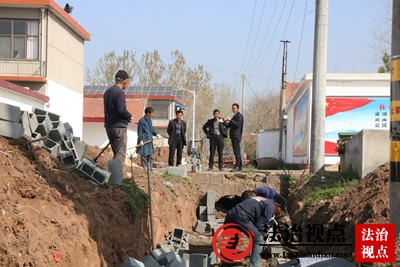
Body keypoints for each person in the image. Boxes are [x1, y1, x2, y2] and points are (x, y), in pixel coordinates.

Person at [224, 194, 281, 267]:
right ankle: (254, 265)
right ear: (278, 205)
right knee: (259, 240)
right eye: (280, 209)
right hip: (241, 217)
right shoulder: (270, 207)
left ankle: (226, 259)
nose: (278, 211)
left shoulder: (265, 200)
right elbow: (259, 225)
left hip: (232, 213)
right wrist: (262, 235)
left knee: (235, 235)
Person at [103, 70, 132, 164]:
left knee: (116, 153)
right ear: (124, 81)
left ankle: (114, 175)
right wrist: (129, 116)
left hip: (109, 126)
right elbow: (121, 110)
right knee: (120, 154)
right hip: (119, 127)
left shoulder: (107, 92)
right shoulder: (120, 93)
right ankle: (116, 178)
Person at [136, 107, 162, 171]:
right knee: (144, 155)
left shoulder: (149, 120)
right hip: (144, 141)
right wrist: (141, 140)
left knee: (150, 155)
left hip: (149, 140)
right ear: (148, 113)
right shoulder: (142, 121)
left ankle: (150, 169)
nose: (152, 114)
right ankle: (145, 168)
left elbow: (151, 129)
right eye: (152, 113)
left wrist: (156, 134)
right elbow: (140, 131)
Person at [223, 103, 244, 172]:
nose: (233, 110)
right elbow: (229, 125)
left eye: (234, 108)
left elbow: (237, 125)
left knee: (236, 151)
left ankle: (237, 166)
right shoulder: (234, 116)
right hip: (233, 135)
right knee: (237, 151)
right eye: (232, 108)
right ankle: (240, 166)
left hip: (236, 135)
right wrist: (223, 121)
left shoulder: (239, 116)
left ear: (237, 108)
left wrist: (230, 120)